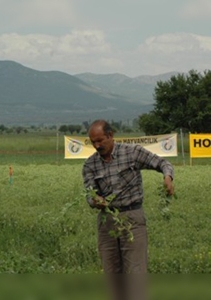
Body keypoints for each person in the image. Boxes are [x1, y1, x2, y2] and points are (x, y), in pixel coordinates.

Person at [82, 120, 174, 299]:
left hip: (133, 218)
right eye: (93, 142)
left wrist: (168, 177)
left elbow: (163, 163)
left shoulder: (132, 152)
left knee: (135, 273)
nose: (97, 145)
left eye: (100, 140)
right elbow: (88, 194)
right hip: (107, 221)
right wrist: (95, 200)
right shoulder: (90, 165)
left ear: (110, 135)